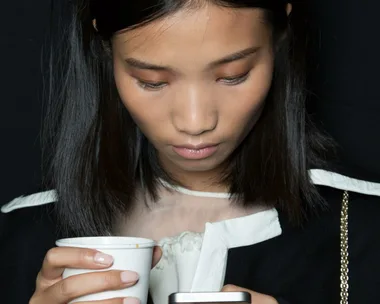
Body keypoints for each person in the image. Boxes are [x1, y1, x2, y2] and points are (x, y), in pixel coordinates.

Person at [1, 0, 380, 303]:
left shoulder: (363, 227)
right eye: (152, 82)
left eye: (233, 75)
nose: (195, 121)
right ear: (104, 45)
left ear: (281, 27)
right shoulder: (23, 234)